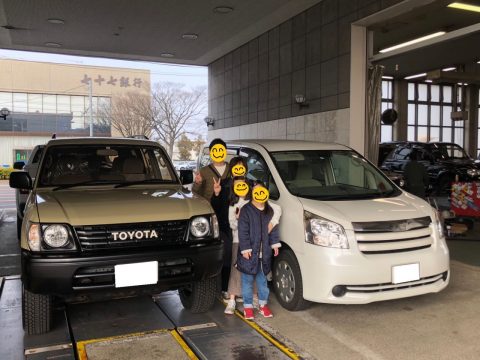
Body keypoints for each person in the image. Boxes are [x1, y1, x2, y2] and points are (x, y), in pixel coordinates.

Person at [224, 177, 282, 315]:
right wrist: (245, 248)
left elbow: (276, 214)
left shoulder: (265, 207)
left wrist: (272, 229)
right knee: (242, 276)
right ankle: (241, 303)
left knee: (260, 279)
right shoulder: (240, 206)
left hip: (263, 251)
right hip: (242, 244)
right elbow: (239, 228)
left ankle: (260, 303)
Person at [210, 156, 248, 294]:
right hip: (226, 228)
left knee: (243, 258)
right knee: (228, 257)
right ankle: (226, 288)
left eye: (241, 168)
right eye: (236, 167)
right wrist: (217, 193)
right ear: (232, 170)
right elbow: (215, 207)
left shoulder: (249, 185)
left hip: (244, 229)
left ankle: (242, 289)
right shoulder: (224, 184)